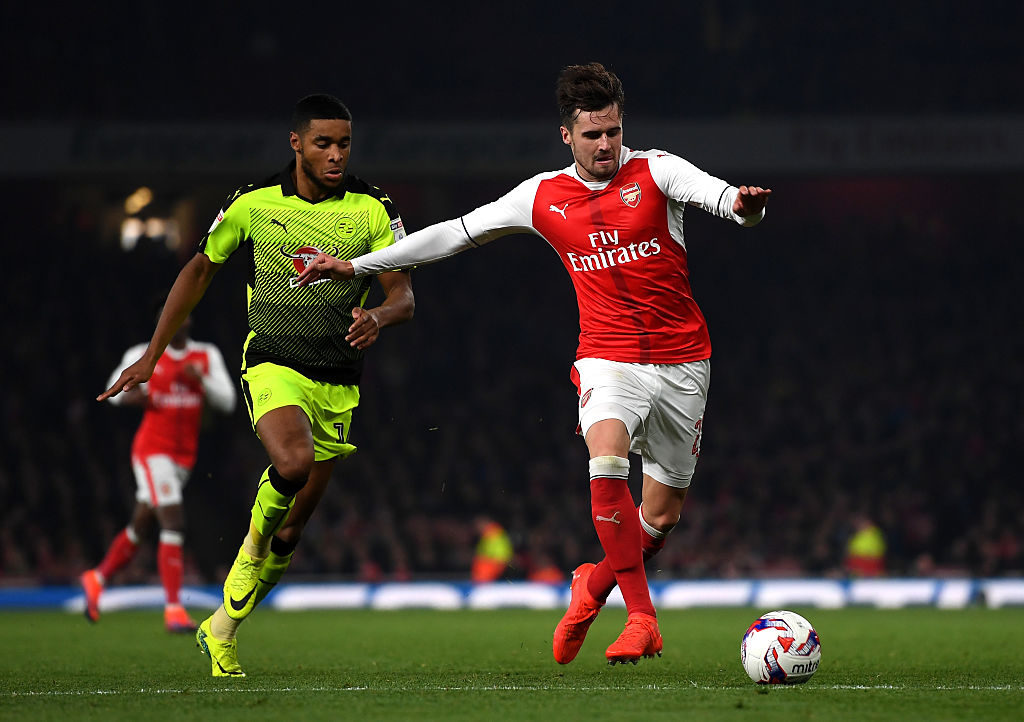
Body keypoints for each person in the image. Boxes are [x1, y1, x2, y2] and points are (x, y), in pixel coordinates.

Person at [297, 62, 771, 665]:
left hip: (684, 363)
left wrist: (747, 207)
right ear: (566, 137)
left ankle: (591, 587)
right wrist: (359, 265)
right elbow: (454, 233)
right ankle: (643, 618)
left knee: (660, 518)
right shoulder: (542, 195)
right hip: (607, 357)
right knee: (606, 459)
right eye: (593, 135)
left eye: (613, 132)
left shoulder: (658, 170)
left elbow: (723, 199)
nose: (606, 145)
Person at [98, 93, 415, 677]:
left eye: (344, 143)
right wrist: (152, 354)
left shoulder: (373, 208)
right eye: (324, 143)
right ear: (296, 143)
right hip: (272, 362)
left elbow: (404, 294)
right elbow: (198, 270)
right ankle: (248, 551)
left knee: (293, 531)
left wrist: (379, 315)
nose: (337, 154)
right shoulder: (252, 204)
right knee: (291, 465)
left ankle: (221, 629)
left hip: (339, 379)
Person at [81, 311, 236, 632]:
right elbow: (112, 394)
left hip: (184, 458)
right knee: (173, 521)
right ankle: (174, 609)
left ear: (190, 321)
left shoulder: (206, 355)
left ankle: (97, 577)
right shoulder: (143, 354)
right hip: (152, 452)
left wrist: (201, 380)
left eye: (185, 314)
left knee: (141, 525)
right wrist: (131, 397)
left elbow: (228, 402)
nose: (181, 320)